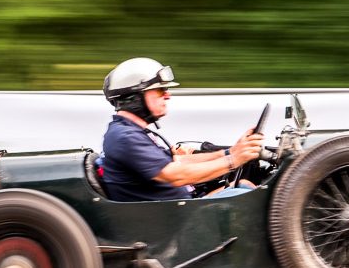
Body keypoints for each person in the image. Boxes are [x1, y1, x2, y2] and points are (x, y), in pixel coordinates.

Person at [99, 57, 264, 202]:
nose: (167, 95)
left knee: (245, 185)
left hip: (182, 206)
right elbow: (175, 174)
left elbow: (178, 162)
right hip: (172, 219)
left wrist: (230, 152)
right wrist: (233, 160)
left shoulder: (133, 132)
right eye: (160, 90)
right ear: (134, 97)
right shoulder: (124, 137)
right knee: (255, 198)